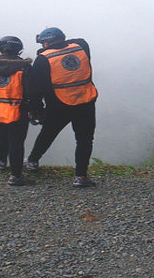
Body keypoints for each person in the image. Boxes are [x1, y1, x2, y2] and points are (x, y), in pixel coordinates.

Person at [24, 27, 99, 188]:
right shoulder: (82, 47)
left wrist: (35, 109)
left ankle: (32, 161)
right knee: (85, 140)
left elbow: (36, 88)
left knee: (48, 133)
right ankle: (80, 176)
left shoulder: (43, 59)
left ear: (46, 42)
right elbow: (76, 40)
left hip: (59, 105)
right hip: (85, 100)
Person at [0, 35, 35, 186]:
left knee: (1, 135)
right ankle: (16, 176)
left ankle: (1, 162)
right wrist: (34, 111)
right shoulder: (24, 68)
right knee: (16, 142)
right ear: (19, 49)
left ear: (0, 49)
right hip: (18, 110)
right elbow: (30, 92)